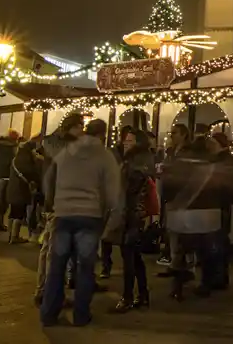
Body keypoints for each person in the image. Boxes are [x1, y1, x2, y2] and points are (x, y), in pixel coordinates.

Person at [40, 119, 120, 328]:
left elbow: (49, 179)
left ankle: (49, 314)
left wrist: (53, 202)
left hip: (63, 214)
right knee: (85, 267)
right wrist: (110, 212)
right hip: (89, 215)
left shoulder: (66, 152)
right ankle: (80, 315)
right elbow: (113, 191)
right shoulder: (104, 156)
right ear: (103, 134)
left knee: (57, 266)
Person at [162, 134, 233, 301]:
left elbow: (168, 189)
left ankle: (177, 286)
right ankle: (205, 283)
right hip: (209, 214)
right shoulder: (215, 167)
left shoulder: (179, 164)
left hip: (183, 213)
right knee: (206, 251)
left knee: (182, 250)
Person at [33, 113, 84, 305]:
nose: (82, 131)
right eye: (80, 126)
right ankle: (49, 294)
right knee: (54, 251)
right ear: (72, 127)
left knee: (49, 249)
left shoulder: (54, 144)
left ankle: (45, 291)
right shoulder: (61, 146)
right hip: (59, 202)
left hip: (55, 201)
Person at [105, 130, 156, 313]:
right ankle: (142, 294)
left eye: (130, 140)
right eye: (125, 140)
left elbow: (127, 193)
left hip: (130, 216)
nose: (126, 143)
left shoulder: (133, 165)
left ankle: (127, 296)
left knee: (129, 257)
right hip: (135, 215)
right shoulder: (142, 161)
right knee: (134, 256)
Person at [208, 132, 233, 291]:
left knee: (217, 242)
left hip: (218, 205)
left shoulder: (220, 162)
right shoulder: (224, 161)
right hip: (221, 205)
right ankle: (219, 277)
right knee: (219, 241)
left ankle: (217, 277)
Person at [101, 127, 135, 279]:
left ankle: (126, 266)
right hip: (112, 197)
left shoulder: (134, 158)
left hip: (126, 199)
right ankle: (106, 266)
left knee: (123, 237)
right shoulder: (113, 153)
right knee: (107, 235)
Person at [157, 123, 191, 270]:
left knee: (182, 230)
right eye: (171, 133)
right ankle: (173, 260)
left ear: (183, 134)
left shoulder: (187, 152)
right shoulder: (171, 152)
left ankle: (184, 263)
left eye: (174, 133)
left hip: (181, 194)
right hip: (170, 193)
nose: (172, 136)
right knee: (171, 229)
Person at [9, 138, 41, 244]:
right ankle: (14, 236)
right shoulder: (26, 160)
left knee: (13, 212)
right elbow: (31, 173)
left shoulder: (16, 158)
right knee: (19, 213)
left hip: (13, 188)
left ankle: (11, 235)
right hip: (21, 189)